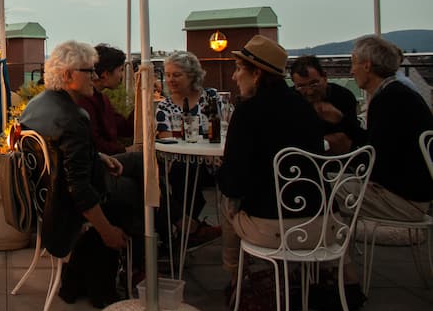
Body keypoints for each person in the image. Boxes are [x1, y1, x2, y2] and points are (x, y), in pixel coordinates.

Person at [20, 41, 145, 308]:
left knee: (137, 164)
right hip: (65, 206)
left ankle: (80, 280)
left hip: (46, 199)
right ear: (68, 75)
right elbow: (79, 188)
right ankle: (133, 268)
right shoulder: (75, 117)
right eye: (89, 71)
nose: (95, 75)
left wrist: (97, 155)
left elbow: (56, 151)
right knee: (137, 193)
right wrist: (107, 230)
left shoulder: (37, 104)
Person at [217, 35, 328, 289]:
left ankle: (236, 279)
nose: (234, 77)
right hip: (323, 224)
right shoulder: (305, 107)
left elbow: (233, 184)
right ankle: (299, 276)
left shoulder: (247, 111)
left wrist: (220, 172)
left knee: (228, 202)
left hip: (277, 228)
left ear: (256, 73)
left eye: (238, 69)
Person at [348, 35, 433, 222]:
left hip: (404, 200)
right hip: (417, 194)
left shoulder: (388, 99)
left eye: (353, 63)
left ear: (367, 66)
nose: (351, 71)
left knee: (325, 187)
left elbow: (374, 161)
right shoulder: (401, 93)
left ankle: (332, 248)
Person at [154, 50, 221, 245]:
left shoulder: (210, 97)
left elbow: (222, 127)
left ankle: (185, 230)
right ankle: (190, 229)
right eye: (167, 75)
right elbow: (168, 139)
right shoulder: (165, 106)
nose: (170, 80)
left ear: (192, 76)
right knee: (184, 171)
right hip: (181, 162)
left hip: (212, 161)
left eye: (177, 75)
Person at [291, 55, 363, 154]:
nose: (310, 92)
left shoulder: (343, 96)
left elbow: (358, 138)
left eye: (314, 83)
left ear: (325, 77)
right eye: (301, 86)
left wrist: (340, 119)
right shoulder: (291, 98)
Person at [78, 44, 135, 155]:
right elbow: (95, 143)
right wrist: (124, 150)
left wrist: (142, 99)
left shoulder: (102, 99)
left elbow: (125, 128)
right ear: (106, 74)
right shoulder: (85, 101)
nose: (122, 75)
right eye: (120, 70)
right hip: (101, 163)